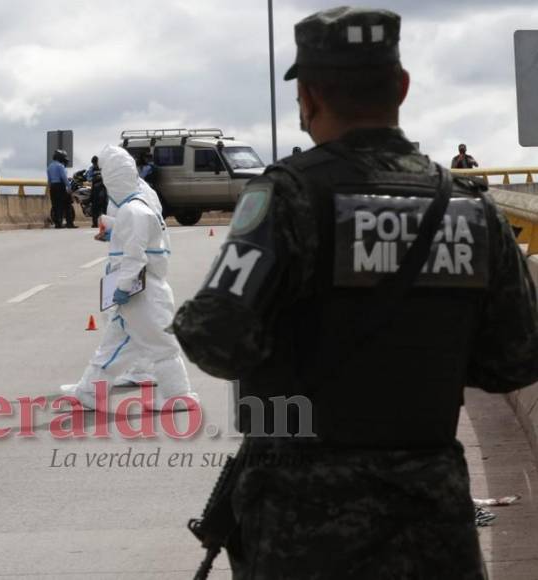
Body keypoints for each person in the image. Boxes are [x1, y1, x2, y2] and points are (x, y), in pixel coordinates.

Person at [172, 6, 538, 579]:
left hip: (300, 523)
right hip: (431, 519)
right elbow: (516, 359)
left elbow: (218, 339)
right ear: (401, 87)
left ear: (309, 97)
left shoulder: (287, 197)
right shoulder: (469, 208)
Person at [61, 145, 199, 412]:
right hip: (145, 287)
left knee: (160, 345)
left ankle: (176, 395)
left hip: (141, 290)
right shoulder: (140, 203)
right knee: (116, 341)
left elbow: (135, 256)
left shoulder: (132, 211)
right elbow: (144, 239)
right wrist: (114, 231)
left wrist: (122, 288)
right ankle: (89, 391)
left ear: (112, 180)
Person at [47, 149, 76, 228]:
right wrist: (69, 188)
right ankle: (69, 223)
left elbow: (49, 180)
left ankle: (58, 224)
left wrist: (50, 188)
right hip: (60, 186)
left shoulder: (49, 166)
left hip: (53, 187)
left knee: (56, 205)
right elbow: (64, 178)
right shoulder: (60, 166)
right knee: (67, 204)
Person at [86, 155, 107, 228]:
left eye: (96, 162)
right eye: (94, 163)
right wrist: (94, 178)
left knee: (104, 206)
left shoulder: (103, 168)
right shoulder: (91, 169)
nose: (95, 164)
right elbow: (88, 178)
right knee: (95, 207)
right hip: (95, 189)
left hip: (103, 188)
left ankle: (104, 223)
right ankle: (95, 223)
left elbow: (107, 176)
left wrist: (101, 177)